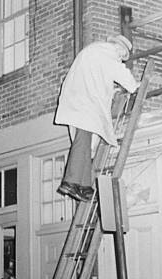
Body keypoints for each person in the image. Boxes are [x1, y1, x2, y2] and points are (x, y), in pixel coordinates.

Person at [54, 35, 140, 202]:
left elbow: (98, 77)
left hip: (76, 99)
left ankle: (84, 185)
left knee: (85, 142)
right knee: (83, 141)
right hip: (86, 103)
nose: (121, 59)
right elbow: (122, 74)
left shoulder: (92, 51)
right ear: (119, 48)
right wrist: (134, 86)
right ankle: (71, 181)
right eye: (122, 55)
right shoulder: (108, 54)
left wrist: (111, 90)